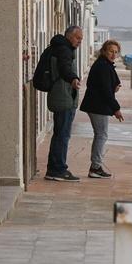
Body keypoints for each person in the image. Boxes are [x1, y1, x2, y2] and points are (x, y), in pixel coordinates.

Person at [39, 25, 83, 181]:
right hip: (63, 97)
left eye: (81, 39)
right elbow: (64, 68)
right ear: (69, 36)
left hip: (60, 96)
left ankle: (53, 169)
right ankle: (58, 169)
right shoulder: (64, 50)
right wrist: (73, 78)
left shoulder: (57, 47)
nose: (79, 42)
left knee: (60, 134)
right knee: (62, 135)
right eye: (78, 38)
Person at [79, 39, 125, 178]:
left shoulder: (106, 65)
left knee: (100, 134)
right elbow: (105, 90)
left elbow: (113, 83)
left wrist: (114, 87)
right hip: (97, 105)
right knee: (101, 135)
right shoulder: (103, 66)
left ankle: (96, 166)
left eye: (116, 52)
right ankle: (95, 167)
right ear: (104, 51)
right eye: (111, 51)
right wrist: (116, 109)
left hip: (98, 105)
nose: (113, 54)